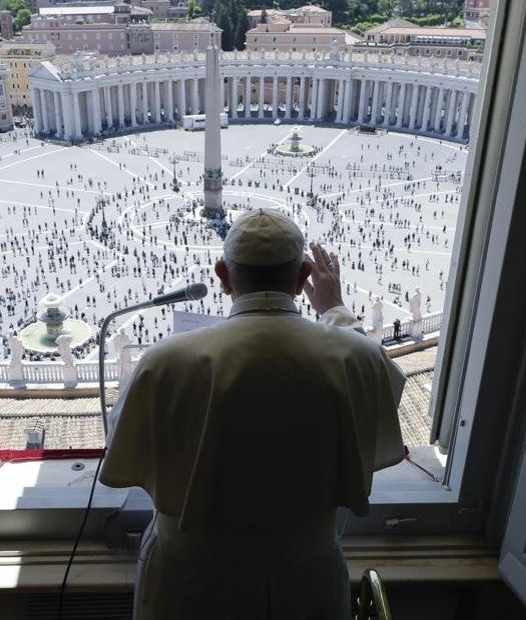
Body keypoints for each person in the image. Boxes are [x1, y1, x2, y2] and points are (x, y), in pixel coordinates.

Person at [100, 209, 407, 620]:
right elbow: (386, 385)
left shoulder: (163, 362)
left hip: (189, 581)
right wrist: (335, 309)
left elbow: (126, 453)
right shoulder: (356, 357)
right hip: (307, 578)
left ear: (223, 276)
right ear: (303, 279)